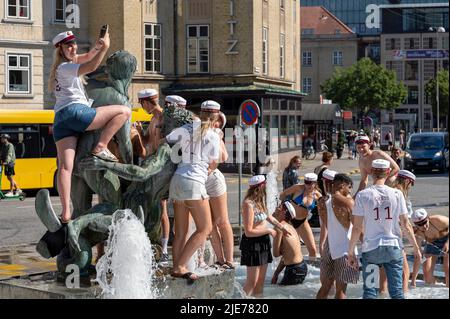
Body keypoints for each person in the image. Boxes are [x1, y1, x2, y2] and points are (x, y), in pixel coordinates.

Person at [48, 30, 131, 223]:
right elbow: (92, 65)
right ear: (60, 49)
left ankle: (66, 212)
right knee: (124, 111)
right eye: (68, 45)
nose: (73, 47)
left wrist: (98, 46)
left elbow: (87, 56)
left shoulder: (61, 67)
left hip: (60, 120)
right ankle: (101, 147)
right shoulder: (66, 67)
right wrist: (106, 48)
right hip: (76, 113)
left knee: (65, 167)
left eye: (74, 44)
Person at [348, 159, 422, 299]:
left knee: (370, 291)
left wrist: (351, 252)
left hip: (371, 249)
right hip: (393, 247)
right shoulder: (397, 194)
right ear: (388, 172)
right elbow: (405, 224)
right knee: (397, 292)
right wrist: (416, 247)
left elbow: (357, 228)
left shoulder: (362, 195)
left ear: (371, 172)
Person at [165, 100, 222, 283]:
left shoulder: (186, 128)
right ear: (216, 117)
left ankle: (176, 268)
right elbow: (214, 162)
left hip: (177, 180)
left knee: (180, 232)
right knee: (205, 228)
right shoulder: (213, 135)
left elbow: (165, 140)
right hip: (194, 183)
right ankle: (181, 266)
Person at [317, 174, 359, 299]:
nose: (350, 191)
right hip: (345, 249)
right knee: (341, 290)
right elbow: (357, 228)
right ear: (342, 185)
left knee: (326, 286)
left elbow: (326, 224)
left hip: (330, 247)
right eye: (349, 187)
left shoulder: (321, 202)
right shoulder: (347, 202)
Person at [379, 169, 416, 294]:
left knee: (383, 275)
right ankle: (404, 295)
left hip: (379, 238)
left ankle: (382, 295)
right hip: (394, 238)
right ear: (406, 181)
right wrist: (415, 245)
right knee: (404, 271)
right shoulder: (400, 195)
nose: (410, 187)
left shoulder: (385, 190)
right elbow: (405, 223)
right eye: (411, 183)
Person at [240, 175, 277, 297]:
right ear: (261, 187)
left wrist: (281, 227)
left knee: (260, 281)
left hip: (263, 243)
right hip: (252, 244)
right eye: (265, 184)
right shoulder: (248, 204)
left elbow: (268, 216)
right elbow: (248, 232)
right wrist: (268, 231)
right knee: (252, 281)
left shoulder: (260, 201)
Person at [207, 112, 235, 269]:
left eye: (219, 122)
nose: (216, 124)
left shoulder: (217, 135)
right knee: (209, 225)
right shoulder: (200, 131)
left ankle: (229, 259)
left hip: (213, 180)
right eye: (215, 120)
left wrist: (217, 137)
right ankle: (220, 259)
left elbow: (223, 157)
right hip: (200, 180)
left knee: (222, 221)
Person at [279, 173, 321, 258]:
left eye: (310, 183)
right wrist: (283, 205)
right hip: (290, 221)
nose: (307, 185)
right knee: (290, 250)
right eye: (306, 182)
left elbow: (324, 209)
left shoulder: (317, 195)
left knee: (313, 250)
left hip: (302, 222)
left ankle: (311, 269)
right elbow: (283, 194)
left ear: (315, 183)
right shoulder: (298, 188)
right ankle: (284, 270)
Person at [270, 202, 307, 286]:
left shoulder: (279, 228)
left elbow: (275, 254)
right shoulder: (291, 227)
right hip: (302, 267)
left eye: (279, 207)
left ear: (284, 212)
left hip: (294, 269)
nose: (276, 208)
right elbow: (286, 255)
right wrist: (276, 273)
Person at [411, 209, 449, 287]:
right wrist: (413, 281)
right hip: (432, 242)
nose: (424, 226)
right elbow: (418, 257)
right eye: (420, 224)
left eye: (425, 222)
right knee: (427, 275)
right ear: (416, 225)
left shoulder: (438, 220)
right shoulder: (418, 233)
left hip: (447, 238)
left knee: (447, 269)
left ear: (428, 218)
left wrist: (447, 243)